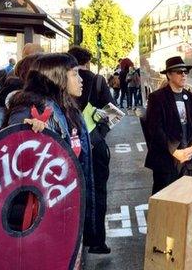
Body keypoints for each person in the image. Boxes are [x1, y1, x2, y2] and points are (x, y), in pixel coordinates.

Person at [4, 53, 96, 252]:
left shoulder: (67, 107)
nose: (81, 80)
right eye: (75, 74)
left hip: (64, 207)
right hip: (43, 216)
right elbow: (14, 155)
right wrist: (26, 134)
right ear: (57, 77)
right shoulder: (31, 107)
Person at [68, 46, 115, 254]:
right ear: (87, 61)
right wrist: (96, 138)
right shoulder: (97, 80)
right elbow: (113, 113)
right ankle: (96, 240)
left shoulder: (62, 81)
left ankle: (74, 238)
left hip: (68, 146)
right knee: (98, 191)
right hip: (95, 148)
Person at [144, 56, 192, 194]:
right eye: (179, 71)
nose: (183, 75)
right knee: (165, 201)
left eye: (185, 72)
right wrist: (175, 151)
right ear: (169, 75)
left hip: (188, 159)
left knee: (186, 199)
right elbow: (155, 130)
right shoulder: (157, 98)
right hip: (166, 160)